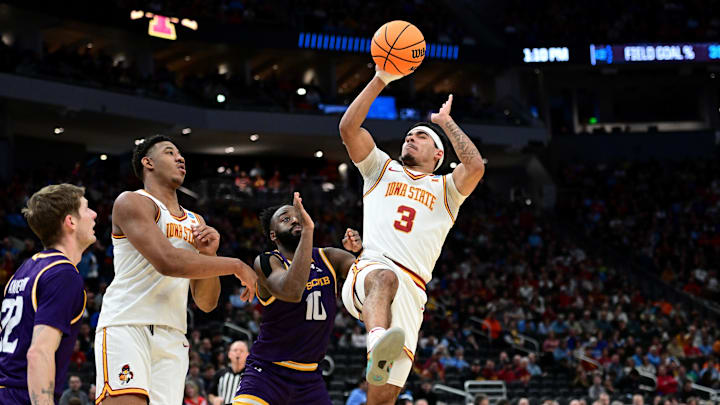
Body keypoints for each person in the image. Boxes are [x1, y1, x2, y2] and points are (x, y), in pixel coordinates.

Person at [338, 66, 485, 404]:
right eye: (408, 135)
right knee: (384, 277)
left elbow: (475, 167)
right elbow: (348, 128)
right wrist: (381, 79)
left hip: (414, 291)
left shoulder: (447, 189)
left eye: (421, 136)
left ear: (438, 155)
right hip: (373, 268)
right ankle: (377, 339)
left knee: (383, 398)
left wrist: (445, 123)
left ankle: (381, 351)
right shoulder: (381, 169)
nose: (410, 137)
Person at [94, 135, 257, 405]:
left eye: (180, 154)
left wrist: (209, 254)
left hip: (173, 334)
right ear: (148, 162)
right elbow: (168, 262)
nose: (180, 158)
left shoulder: (196, 221)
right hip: (128, 324)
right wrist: (235, 264)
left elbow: (205, 303)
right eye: (170, 153)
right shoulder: (132, 202)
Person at [232, 193, 362, 404]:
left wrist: (361, 249)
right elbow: (292, 291)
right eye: (285, 218)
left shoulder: (329, 257)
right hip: (266, 372)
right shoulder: (267, 261)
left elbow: (367, 273)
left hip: (310, 378)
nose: (294, 220)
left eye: (297, 217)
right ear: (273, 235)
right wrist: (309, 230)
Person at [0, 184, 95, 404]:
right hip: (22, 395)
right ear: (70, 222)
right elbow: (39, 353)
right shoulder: (63, 274)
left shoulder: (24, 270)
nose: (94, 214)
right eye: (87, 209)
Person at [208, 341, 249, 405]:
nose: (238, 353)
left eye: (241, 351)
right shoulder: (220, 373)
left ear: (247, 355)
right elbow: (210, 394)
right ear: (229, 354)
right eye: (235, 350)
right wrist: (214, 399)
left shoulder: (250, 376)